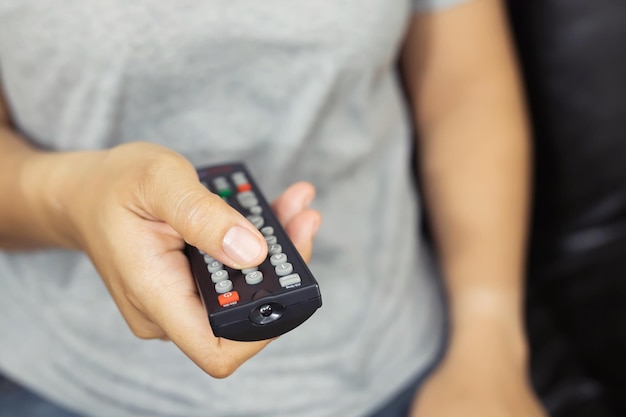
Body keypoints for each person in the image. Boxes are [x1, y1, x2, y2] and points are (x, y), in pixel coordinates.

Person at [0, 0, 546, 416]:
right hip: (73, 378)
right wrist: (75, 200)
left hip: (396, 363)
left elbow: (465, 88)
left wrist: (489, 335)